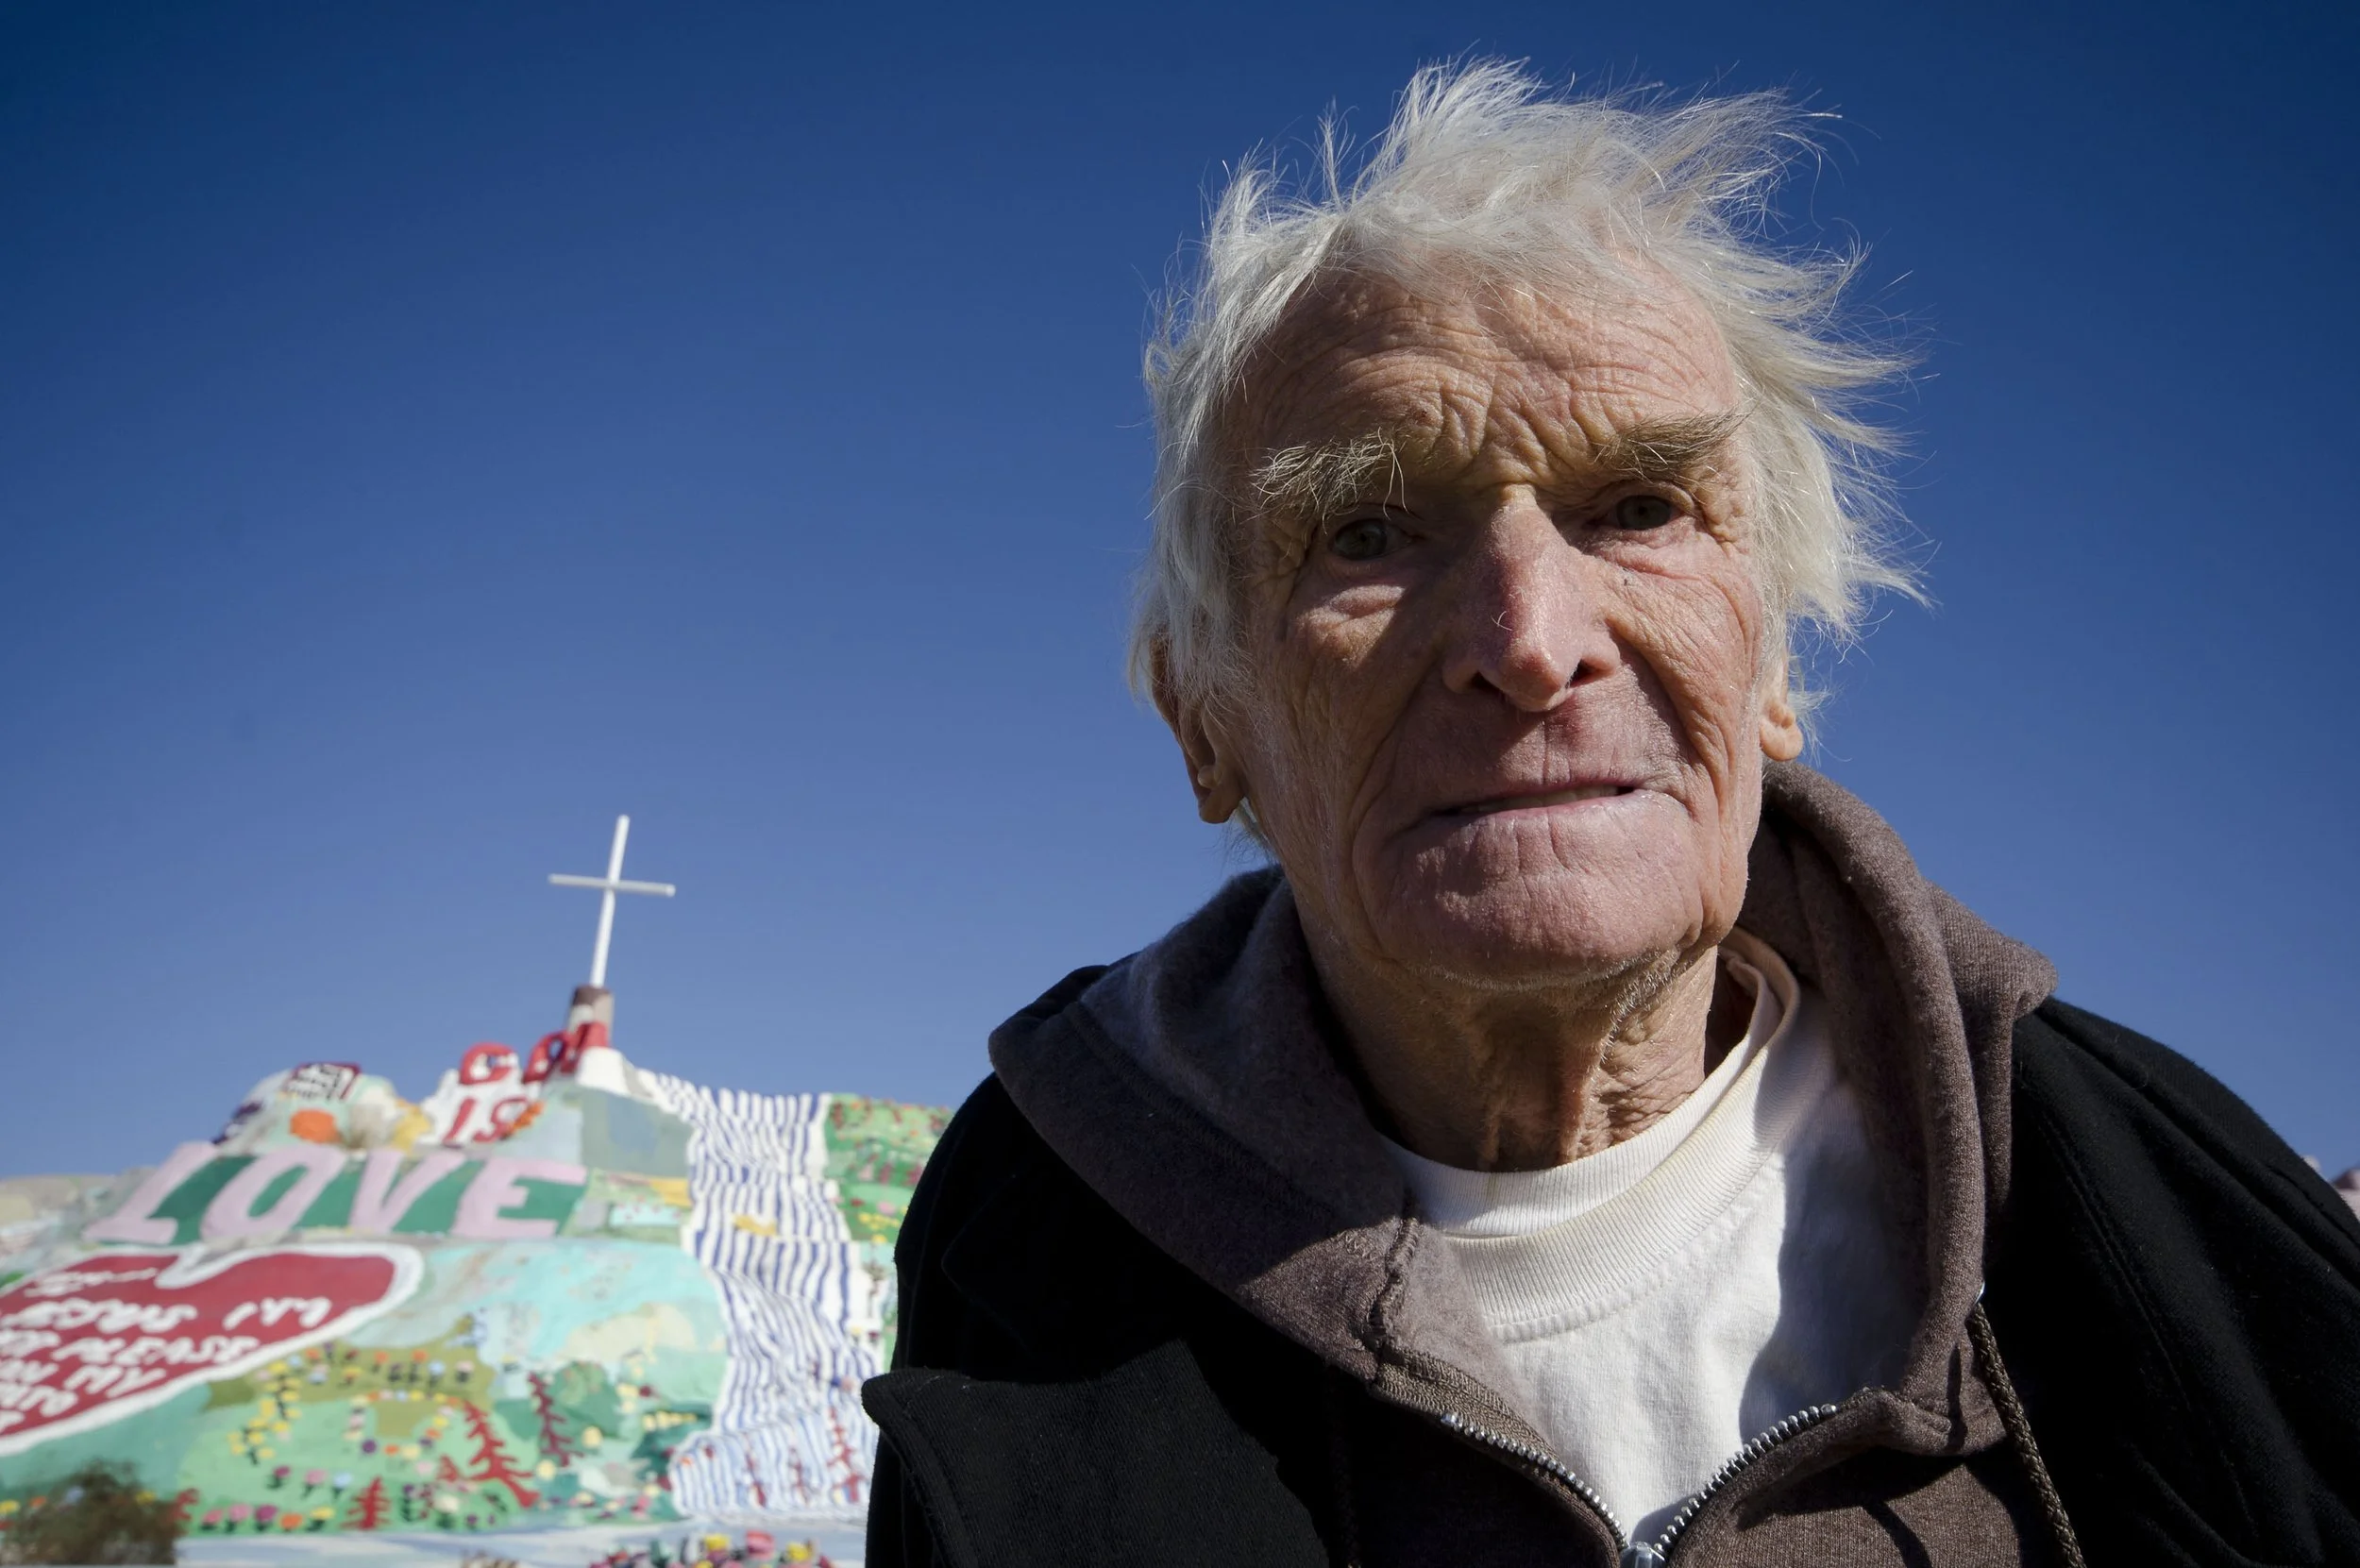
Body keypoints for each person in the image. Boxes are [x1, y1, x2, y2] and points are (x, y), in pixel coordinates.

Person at [860, 63, 2360, 1567]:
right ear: (1206, 722)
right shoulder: (1024, 1247)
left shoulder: (2172, 1210)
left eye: (1640, 509)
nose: (1529, 636)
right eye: (1369, 532)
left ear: (1773, 665)